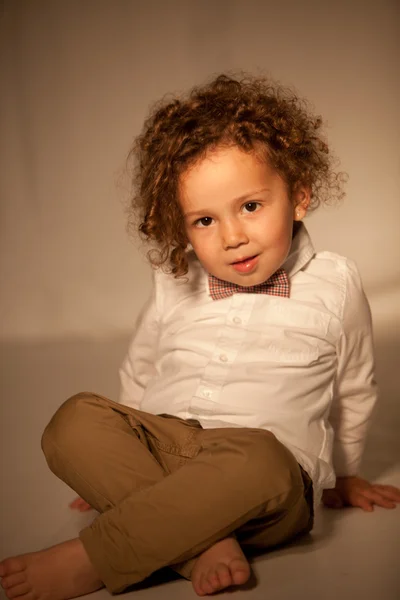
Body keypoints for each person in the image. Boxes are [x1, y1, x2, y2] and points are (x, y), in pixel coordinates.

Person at [1, 74, 400, 600]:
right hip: (167, 449)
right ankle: (202, 540)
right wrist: (120, 453)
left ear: (299, 195)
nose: (232, 237)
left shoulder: (336, 283)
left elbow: (353, 385)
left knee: (262, 459)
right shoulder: (174, 281)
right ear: (179, 226)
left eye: (251, 206)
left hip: (262, 481)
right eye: (205, 220)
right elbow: (141, 368)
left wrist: (345, 474)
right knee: (71, 422)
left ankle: (97, 556)